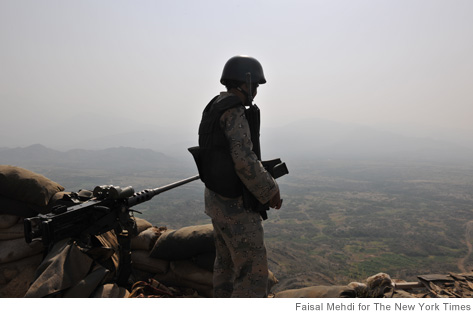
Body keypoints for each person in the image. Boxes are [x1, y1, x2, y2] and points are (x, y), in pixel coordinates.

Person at [195, 55, 282, 298]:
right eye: (255, 85)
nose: (255, 90)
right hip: (235, 207)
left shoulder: (215, 105)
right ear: (246, 82)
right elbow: (244, 160)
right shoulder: (233, 110)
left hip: (216, 201)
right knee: (252, 273)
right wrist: (270, 190)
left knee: (225, 267)